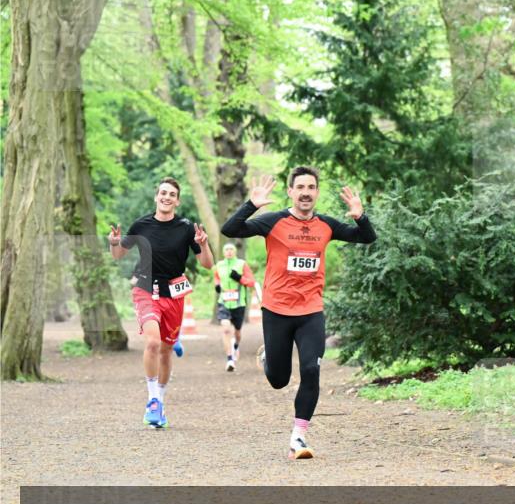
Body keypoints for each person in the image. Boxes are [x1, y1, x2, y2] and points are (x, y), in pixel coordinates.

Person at [221, 167, 376, 459]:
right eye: (300, 187)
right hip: (277, 310)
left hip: (310, 311)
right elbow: (230, 229)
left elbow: (366, 238)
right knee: (279, 379)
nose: (306, 192)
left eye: (311, 187)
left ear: (316, 193)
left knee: (311, 369)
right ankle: (269, 358)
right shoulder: (273, 221)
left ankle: (298, 437)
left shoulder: (327, 225)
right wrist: (252, 205)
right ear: (291, 191)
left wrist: (359, 216)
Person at [109, 177, 214, 428]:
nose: (167, 197)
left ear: (177, 200)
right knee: (153, 342)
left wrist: (204, 244)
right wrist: (113, 243)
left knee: (167, 351)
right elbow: (118, 255)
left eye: (172, 194)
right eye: (163, 193)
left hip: (174, 293)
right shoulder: (142, 224)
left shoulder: (187, 228)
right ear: (157, 197)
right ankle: (153, 400)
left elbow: (207, 264)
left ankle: (161, 401)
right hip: (145, 289)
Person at [213, 242, 257, 371]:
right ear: (223, 252)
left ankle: (236, 346)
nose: (229, 252)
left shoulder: (241, 264)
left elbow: (251, 282)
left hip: (239, 304)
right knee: (226, 329)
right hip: (224, 302)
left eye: (231, 249)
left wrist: (239, 278)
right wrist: (217, 285)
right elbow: (216, 277)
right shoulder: (219, 265)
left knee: (237, 332)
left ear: (235, 251)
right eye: (226, 249)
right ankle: (230, 359)